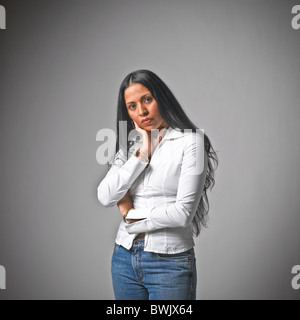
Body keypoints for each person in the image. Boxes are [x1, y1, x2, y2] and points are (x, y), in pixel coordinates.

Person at [97, 69, 218, 300]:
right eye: (132, 106)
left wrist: (130, 215)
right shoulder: (129, 147)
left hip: (170, 261)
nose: (141, 111)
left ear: (160, 97)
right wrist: (142, 154)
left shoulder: (191, 142)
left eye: (147, 100)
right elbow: (105, 195)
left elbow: (182, 214)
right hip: (123, 259)